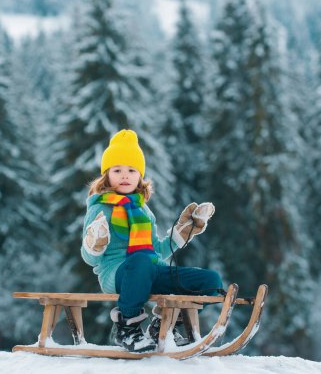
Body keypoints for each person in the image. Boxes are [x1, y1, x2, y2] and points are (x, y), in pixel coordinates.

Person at [81, 129, 222, 353]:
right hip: (116, 272)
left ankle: (163, 325)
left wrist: (181, 233)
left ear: (140, 175)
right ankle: (127, 328)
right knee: (141, 262)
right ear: (106, 175)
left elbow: (156, 250)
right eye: (117, 170)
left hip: (150, 268)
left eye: (131, 170)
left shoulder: (143, 210)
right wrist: (95, 241)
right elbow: (89, 258)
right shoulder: (100, 207)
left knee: (210, 280)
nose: (124, 175)